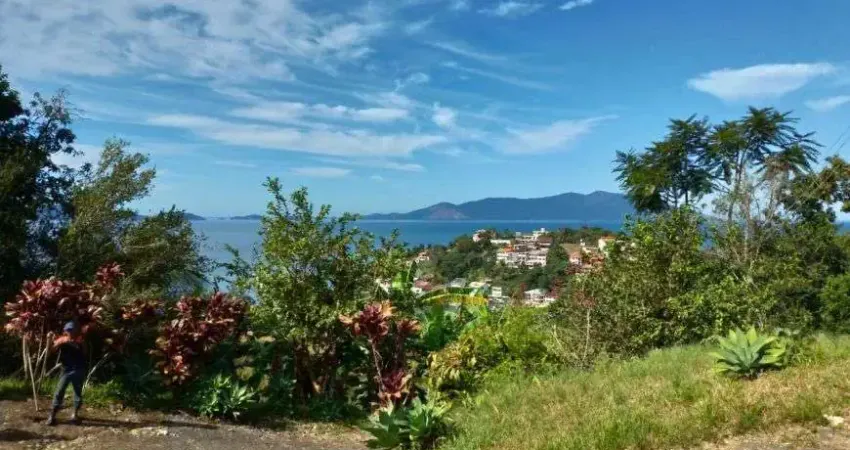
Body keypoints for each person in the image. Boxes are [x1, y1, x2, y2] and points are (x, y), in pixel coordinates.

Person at [46, 321, 87, 426]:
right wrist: (50, 339)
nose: (70, 332)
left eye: (72, 330)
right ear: (65, 331)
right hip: (66, 370)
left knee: (77, 393)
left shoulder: (80, 340)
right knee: (59, 392)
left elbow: (84, 352)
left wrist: (77, 343)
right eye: (68, 330)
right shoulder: (62, 340)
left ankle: (75, 415)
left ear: (76, 331)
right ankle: (52, 416)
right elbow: (51, 351)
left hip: (79, 369)